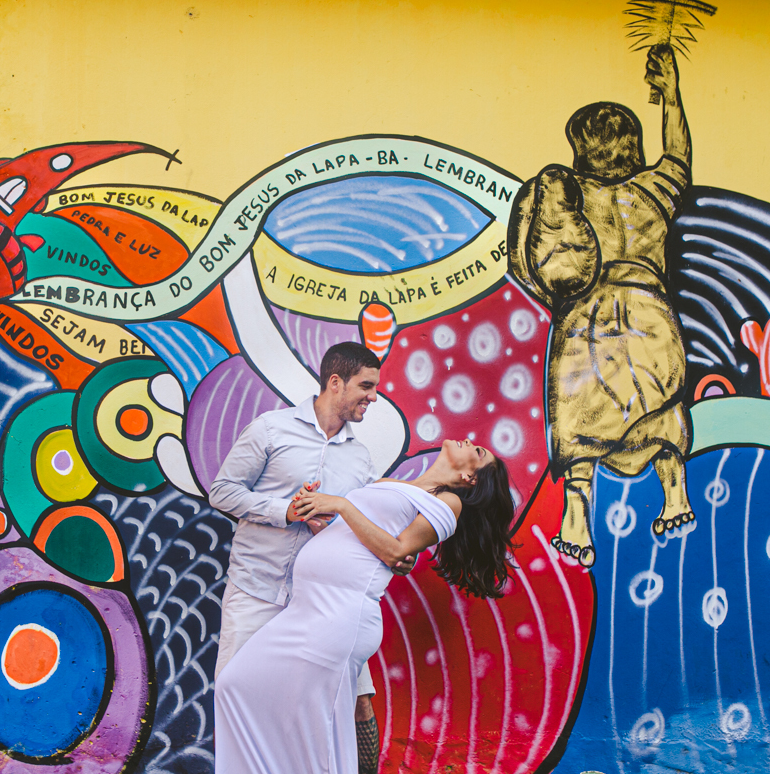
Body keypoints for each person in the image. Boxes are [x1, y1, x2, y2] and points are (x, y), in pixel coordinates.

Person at [214, 439, 517, 774]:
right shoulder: (397, 485)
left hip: (341, 615)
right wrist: (321, 519)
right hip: (306, 609)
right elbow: (359, 540)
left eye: (478, 452)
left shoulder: (448, 503)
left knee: (317, 733)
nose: (470, 442)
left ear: (471, 478)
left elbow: (397, 552)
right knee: (235, 687)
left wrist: (343, 506)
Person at [507, 44, 694, 568]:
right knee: (660, 401)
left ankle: (575, 512)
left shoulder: (569, 197)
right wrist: (671, 96)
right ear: (631, 145)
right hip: (650, 310)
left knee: (578, 409)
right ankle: (674, 489)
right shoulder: (655, 190)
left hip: (587, 316)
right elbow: (679, 156)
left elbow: (537, 252)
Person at [209, 342, 412, 774]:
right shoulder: (270, 429)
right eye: (367, 386)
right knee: (235, 698)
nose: (374, 397)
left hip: (321, 605)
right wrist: (286, 512)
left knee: (357, 702)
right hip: (257, 591)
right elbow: (222, 491)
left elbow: (353, 525)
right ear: (335, 382)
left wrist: (384, 548)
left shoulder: (360, 459)